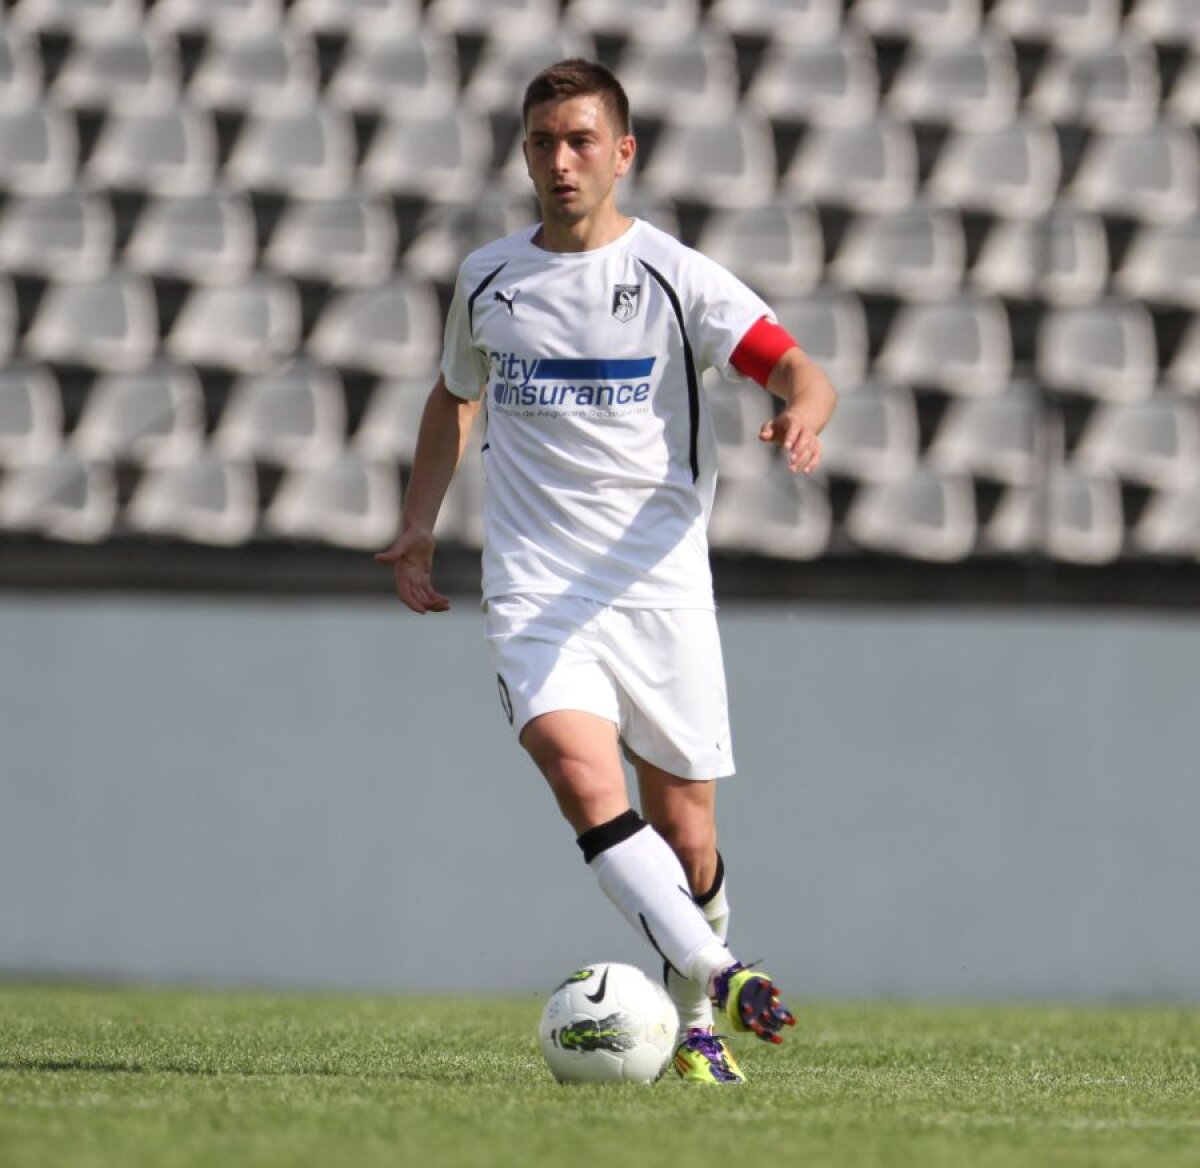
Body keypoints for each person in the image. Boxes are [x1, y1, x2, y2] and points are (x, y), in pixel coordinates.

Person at [377, 59, 837, 1085]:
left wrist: (803, 413)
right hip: (536, 591)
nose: (561, 160)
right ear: (523, 154)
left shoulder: (678, 277)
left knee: (688, 837)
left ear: (623, 152)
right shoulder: (487, 276)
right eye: (543, 142)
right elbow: (455, 395)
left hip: (660, 592)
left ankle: (697, 1022)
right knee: (581, 779)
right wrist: (418, 525)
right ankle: (722, 974)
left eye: (581, 140)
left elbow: (798, 367)